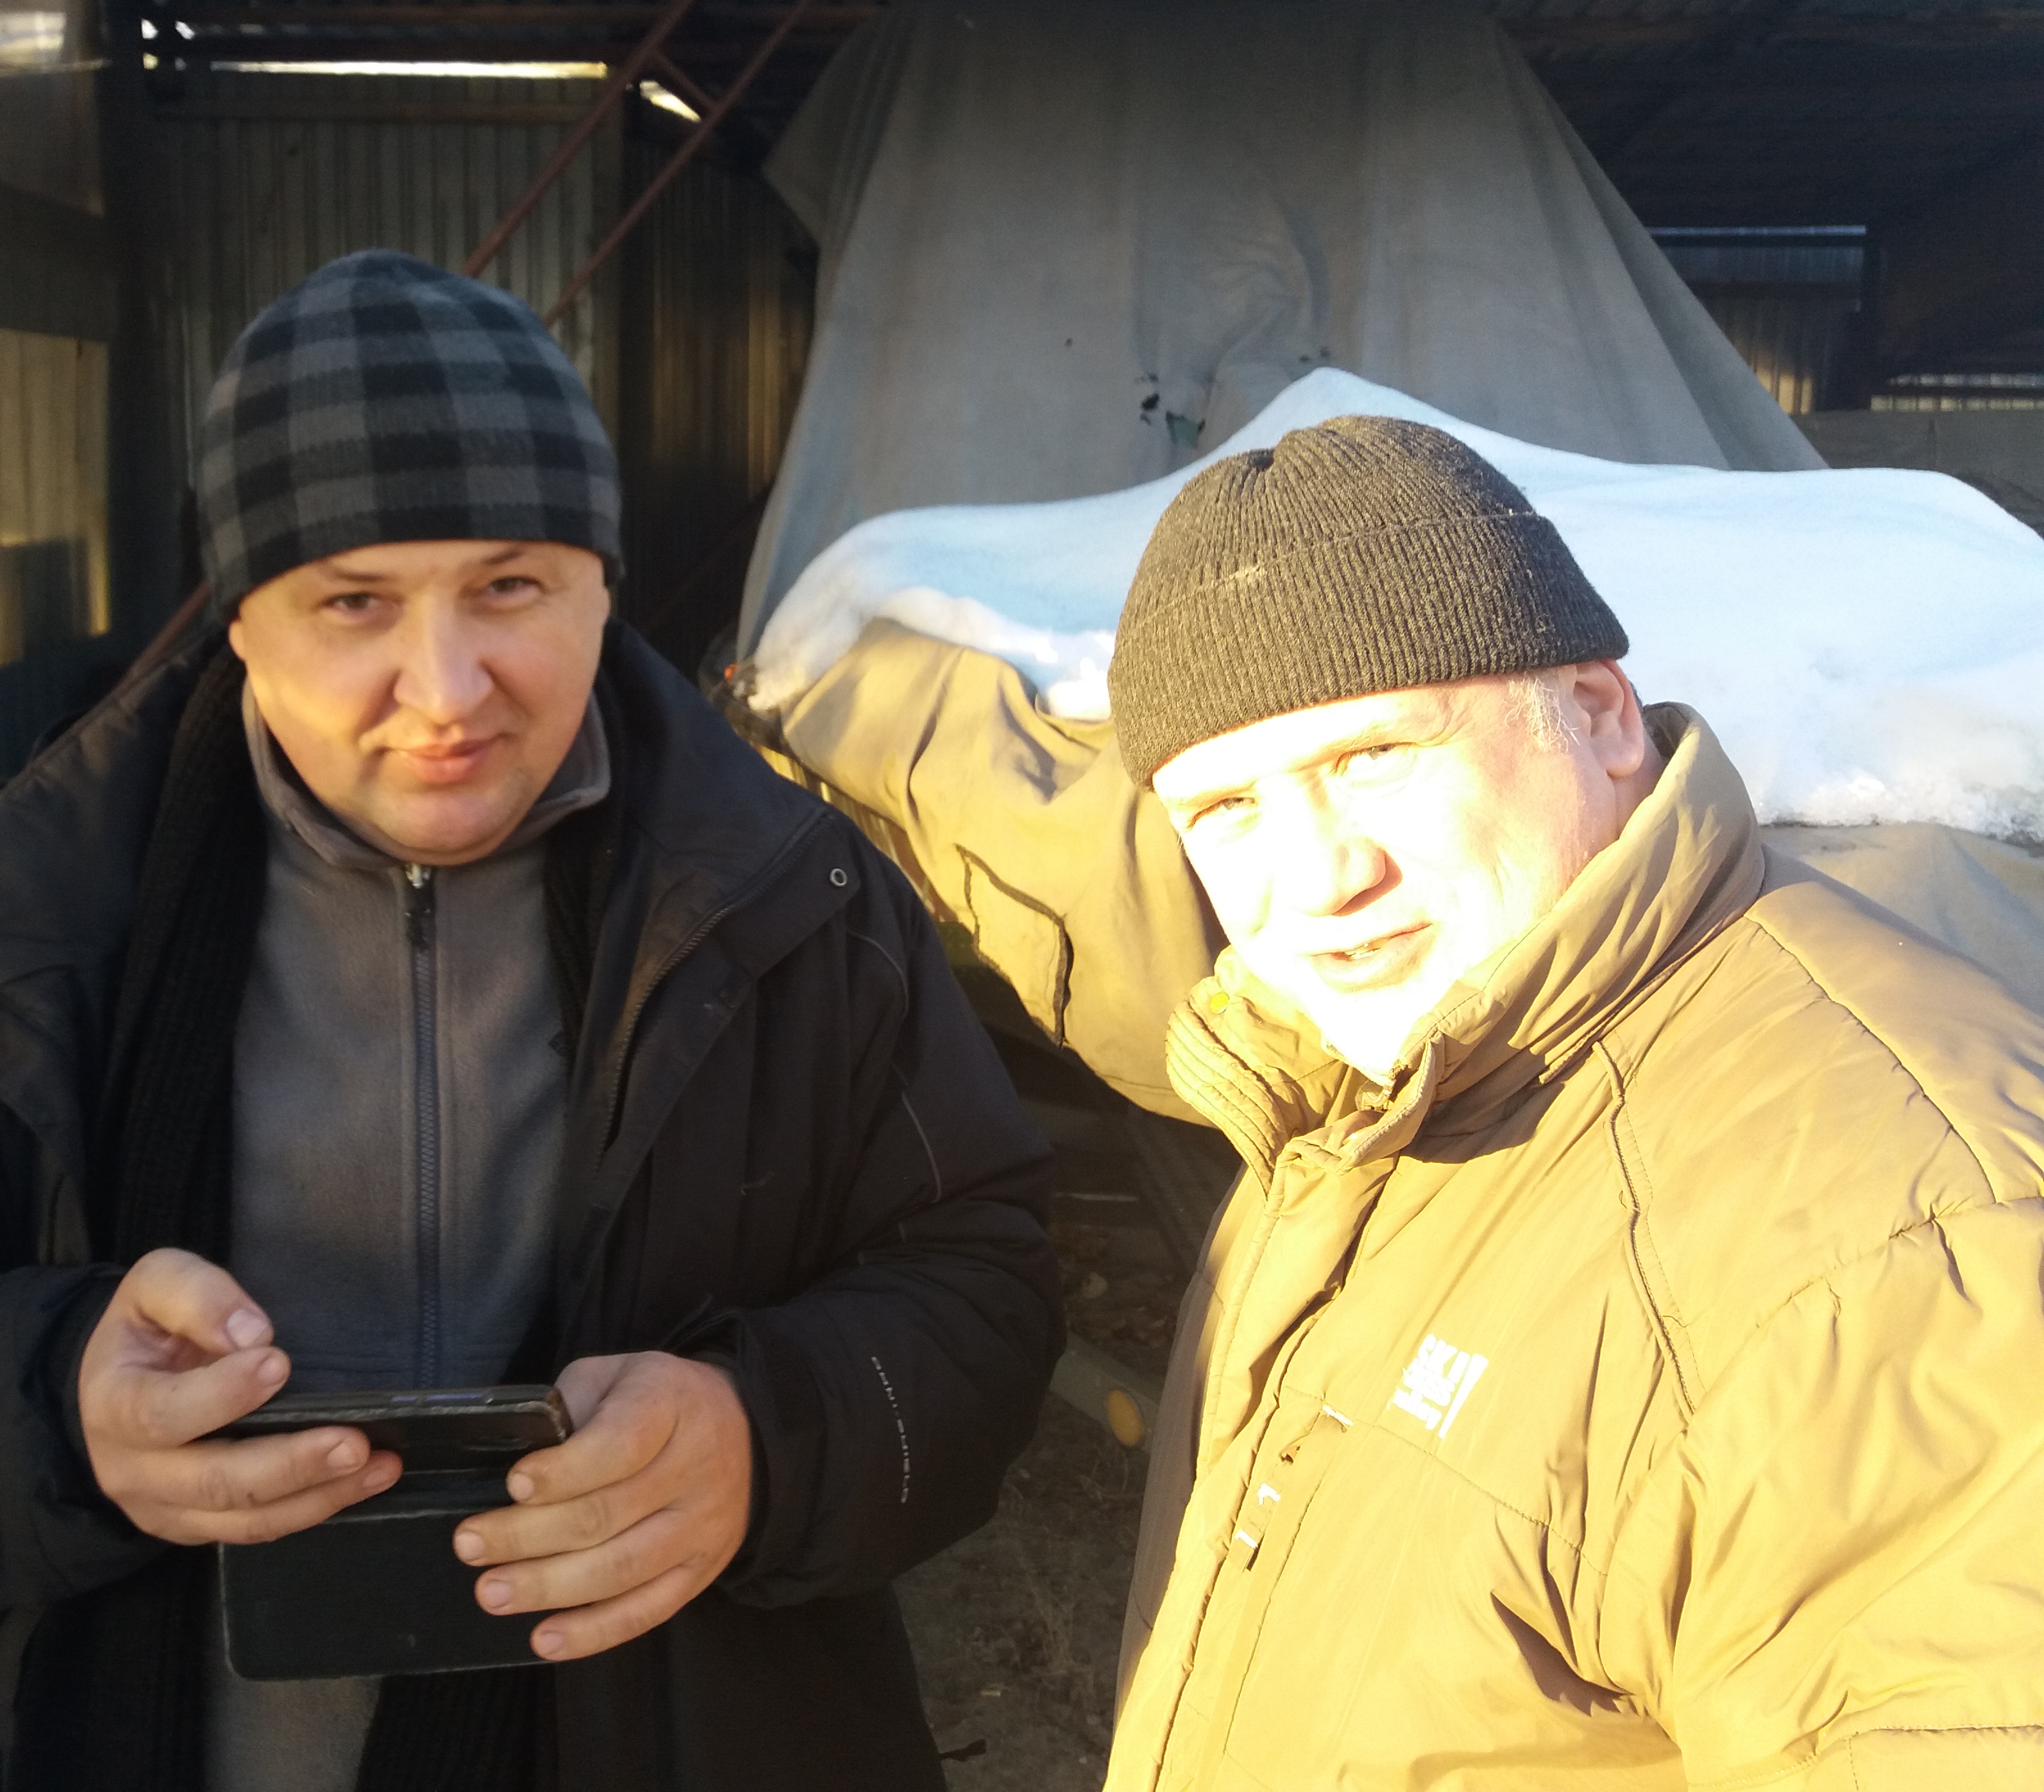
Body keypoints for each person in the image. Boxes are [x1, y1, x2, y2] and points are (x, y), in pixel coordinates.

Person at [0, 251, 1062, 1792]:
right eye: (353, 603)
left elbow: (982, 1277)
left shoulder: (795, 907)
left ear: (603, 585)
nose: (445, 689)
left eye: (511, 587)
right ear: (241, 619)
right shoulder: (0, 929)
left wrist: (760, 1442)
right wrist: (57, 1408)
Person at [776, 416, 2044, 1788]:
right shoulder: (1351, 1098)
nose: (1319, 878)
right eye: (1227, 808)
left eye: (1373, 756)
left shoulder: (1902, 1236)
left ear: (1601, 715)